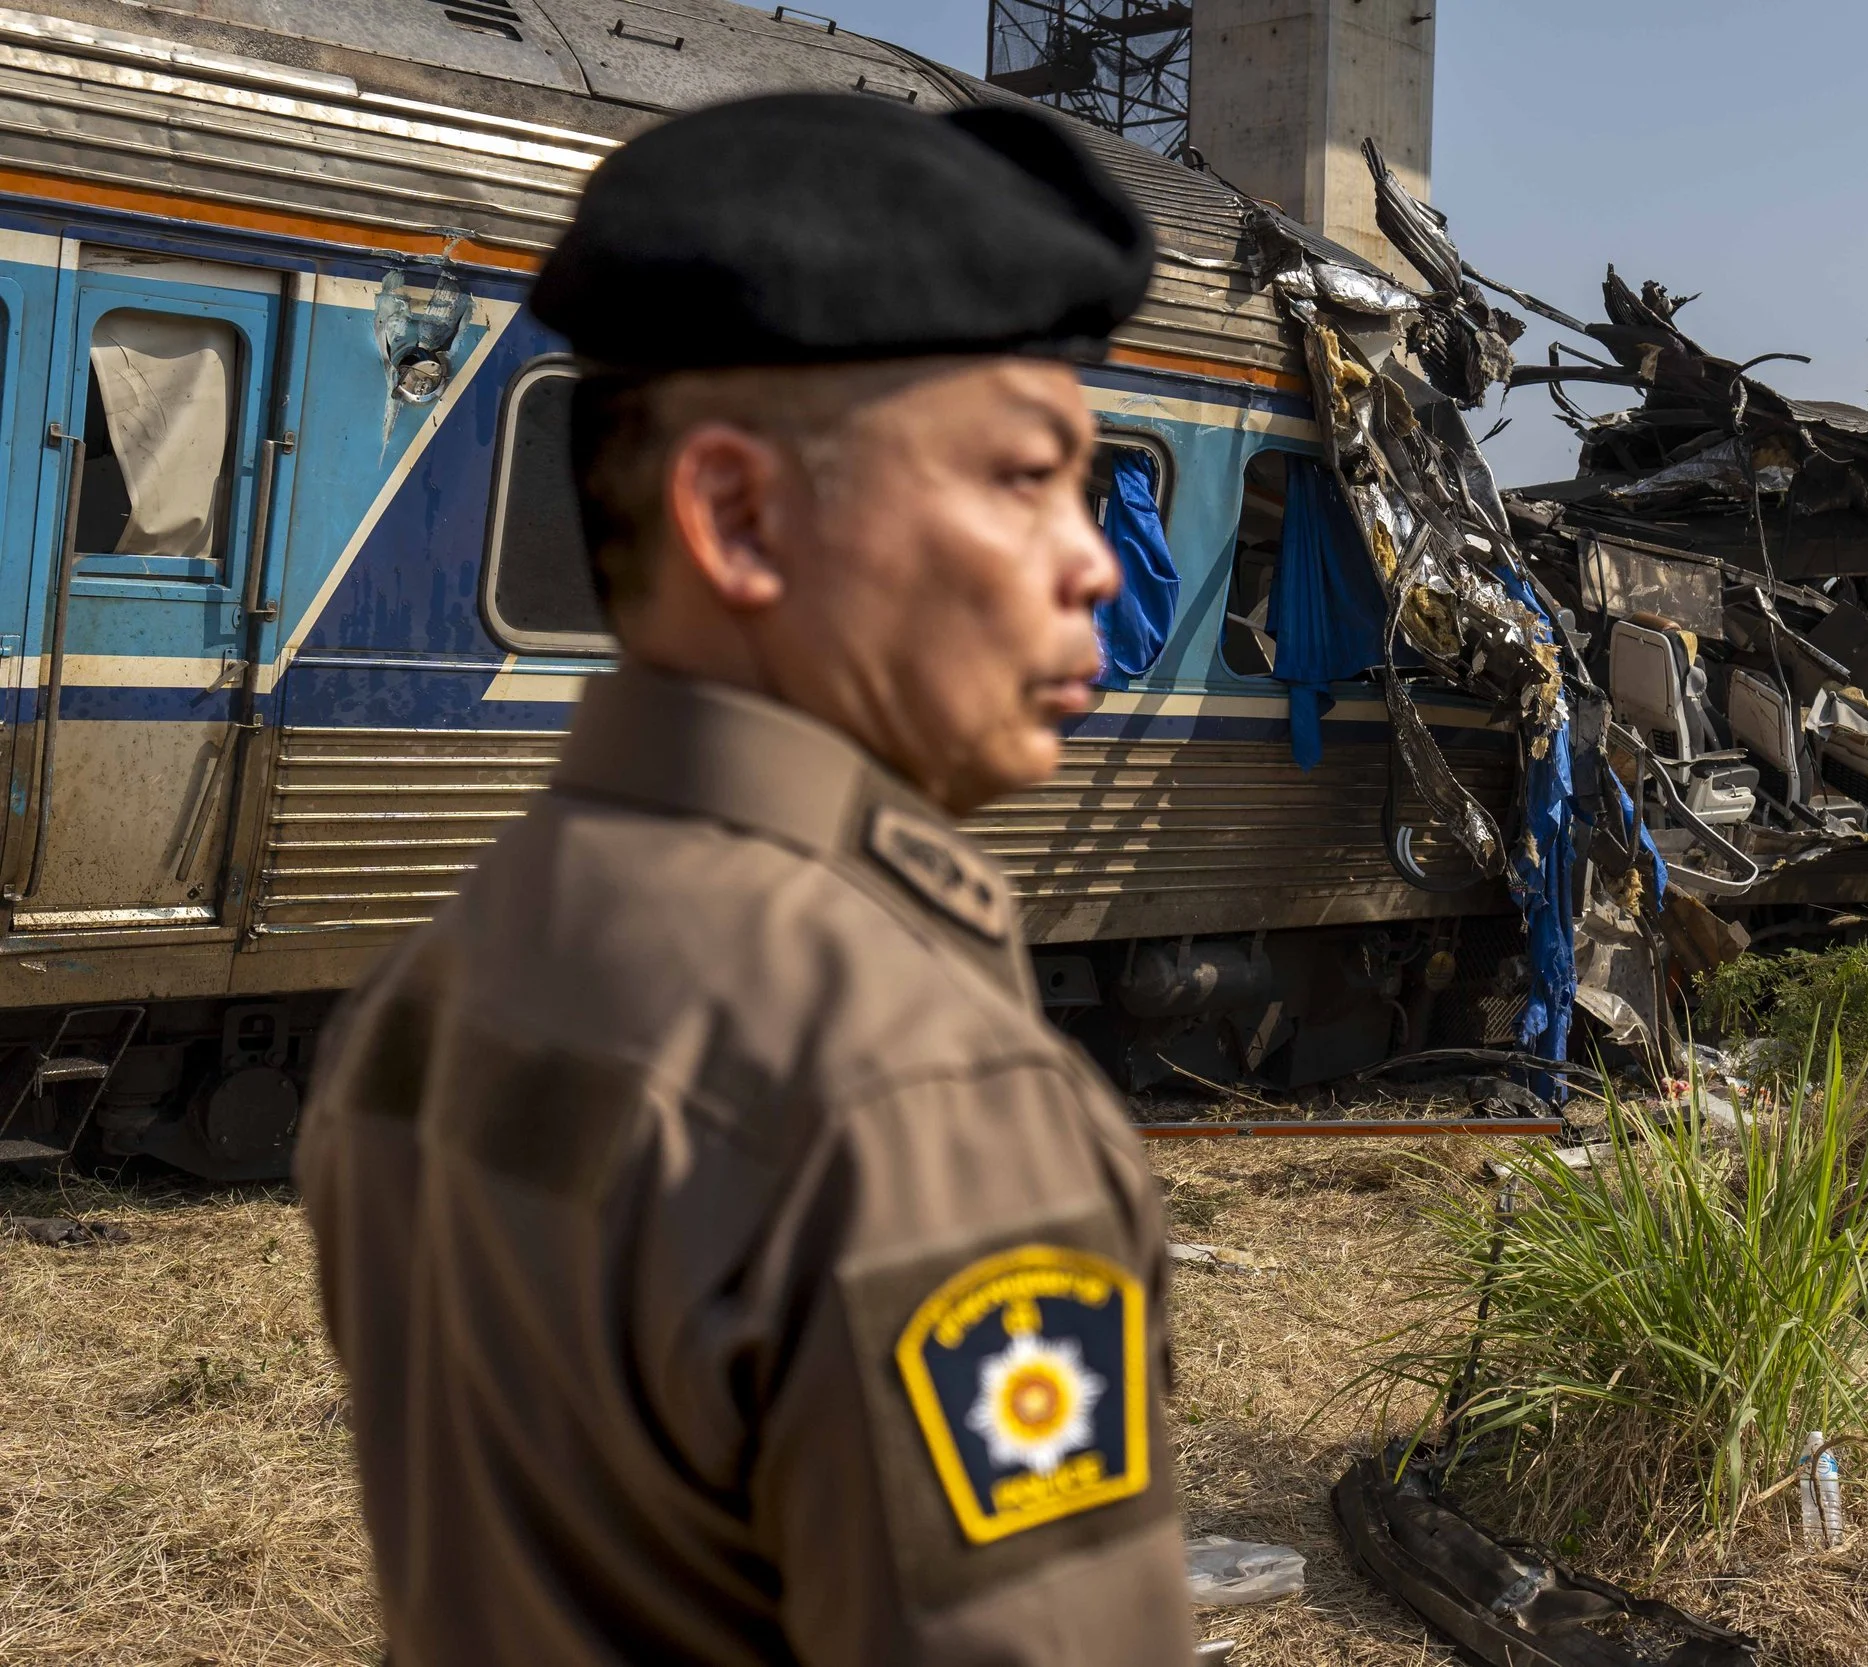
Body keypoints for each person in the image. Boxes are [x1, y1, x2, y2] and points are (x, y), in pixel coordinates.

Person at [295, 92, 1194, 1665]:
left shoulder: (437, 981)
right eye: (1023, 478)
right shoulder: (913, 1100)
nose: (1097, 562)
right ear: (739, 515)